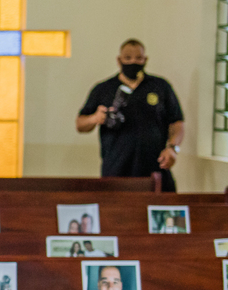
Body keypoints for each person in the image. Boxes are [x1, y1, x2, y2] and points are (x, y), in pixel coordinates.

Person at [76, 39, 185, 192]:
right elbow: (80, 124)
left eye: (138, 58)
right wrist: (95, 118)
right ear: (119, 60)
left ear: (145, 60)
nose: (133, 62)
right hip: (116, 170)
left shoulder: (160, 87)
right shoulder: (103, 89)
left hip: (154, 167)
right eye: (128, 58)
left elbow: (177, 122)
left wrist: (173, 148)